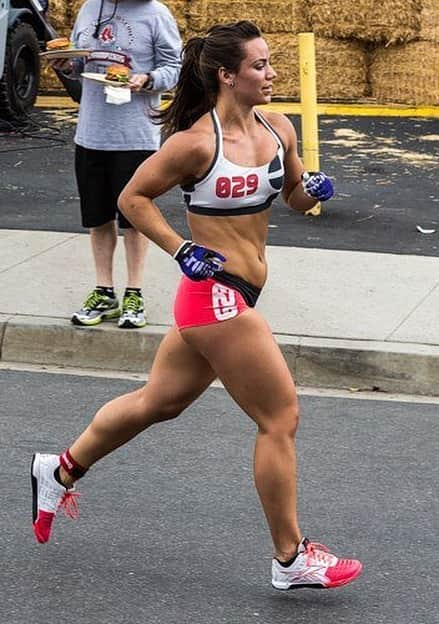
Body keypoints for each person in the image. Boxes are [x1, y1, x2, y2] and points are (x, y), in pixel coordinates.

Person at [32, 21, 362, 591]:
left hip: (240, 290)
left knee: (157, 403)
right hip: (214, 294)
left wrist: (316, 193)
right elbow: (131, 199)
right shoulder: (194, 143)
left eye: (270, 62)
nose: (271, 73)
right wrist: (180, 249)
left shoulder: (278, 127)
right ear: (225, 75)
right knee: (279, 417)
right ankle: (291, 558)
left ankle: (58, 470)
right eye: (259, 65)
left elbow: (293, 195)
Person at [52, 0, 182, 329]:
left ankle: (134, 293)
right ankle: (104, 291)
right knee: (97, 219)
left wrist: (147, 79)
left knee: (134, 221)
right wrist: (66, 65)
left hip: (136, 136)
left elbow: (174, 69)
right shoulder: (88, 9)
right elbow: (79, 63)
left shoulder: (156, 14)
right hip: (92, 133)